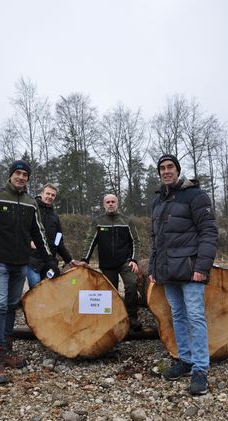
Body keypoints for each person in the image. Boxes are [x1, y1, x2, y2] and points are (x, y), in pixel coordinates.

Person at [0, 160, 59, 384]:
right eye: (17, 173)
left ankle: (7, 347)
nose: (21, 177)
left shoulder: (31, 203)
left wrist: (49, 260)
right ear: (10, 175)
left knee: (12, 304)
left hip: (21, 263)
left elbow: (38, 233)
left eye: (25, 175)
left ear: (28, 179)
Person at [148, 154, 218, 396]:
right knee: (177, 316)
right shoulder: (158, 201)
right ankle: (184, 360)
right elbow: (155, 240)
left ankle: (200, 369)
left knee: (196, 317)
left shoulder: (195, 196)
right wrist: (153, 269)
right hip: (167, 272)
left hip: (190, 271)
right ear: (159, 173)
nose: (166, 171)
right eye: (162, 168)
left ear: (177, 170)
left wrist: (202, 268)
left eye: (170, 167)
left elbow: (208, 232)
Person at [81, 194, 141, 330]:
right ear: (104, 205)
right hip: (107, 264)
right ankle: (114, 318)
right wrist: (85, 259)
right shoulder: (98, 221)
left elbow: (135, 241)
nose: (110, 204)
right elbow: (90, 240)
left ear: (117, 203)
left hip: (125, 262)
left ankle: (132, 317)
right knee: (110, 293)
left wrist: (133, 259)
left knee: (131, 286)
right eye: (108, 202)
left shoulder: (127, 221)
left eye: (113, 201)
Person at [27, 183, 75, 287]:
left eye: (53, 195)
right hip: (32, 260)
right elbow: (22, 229)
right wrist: (29, 240)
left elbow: (59, 240)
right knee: (35, 288)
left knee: (48, 290)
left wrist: (69, 260)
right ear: (42, 194)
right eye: (47, 193)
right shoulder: (31, 209)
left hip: (49, 262)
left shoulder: (55, 216)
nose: (50, 197)